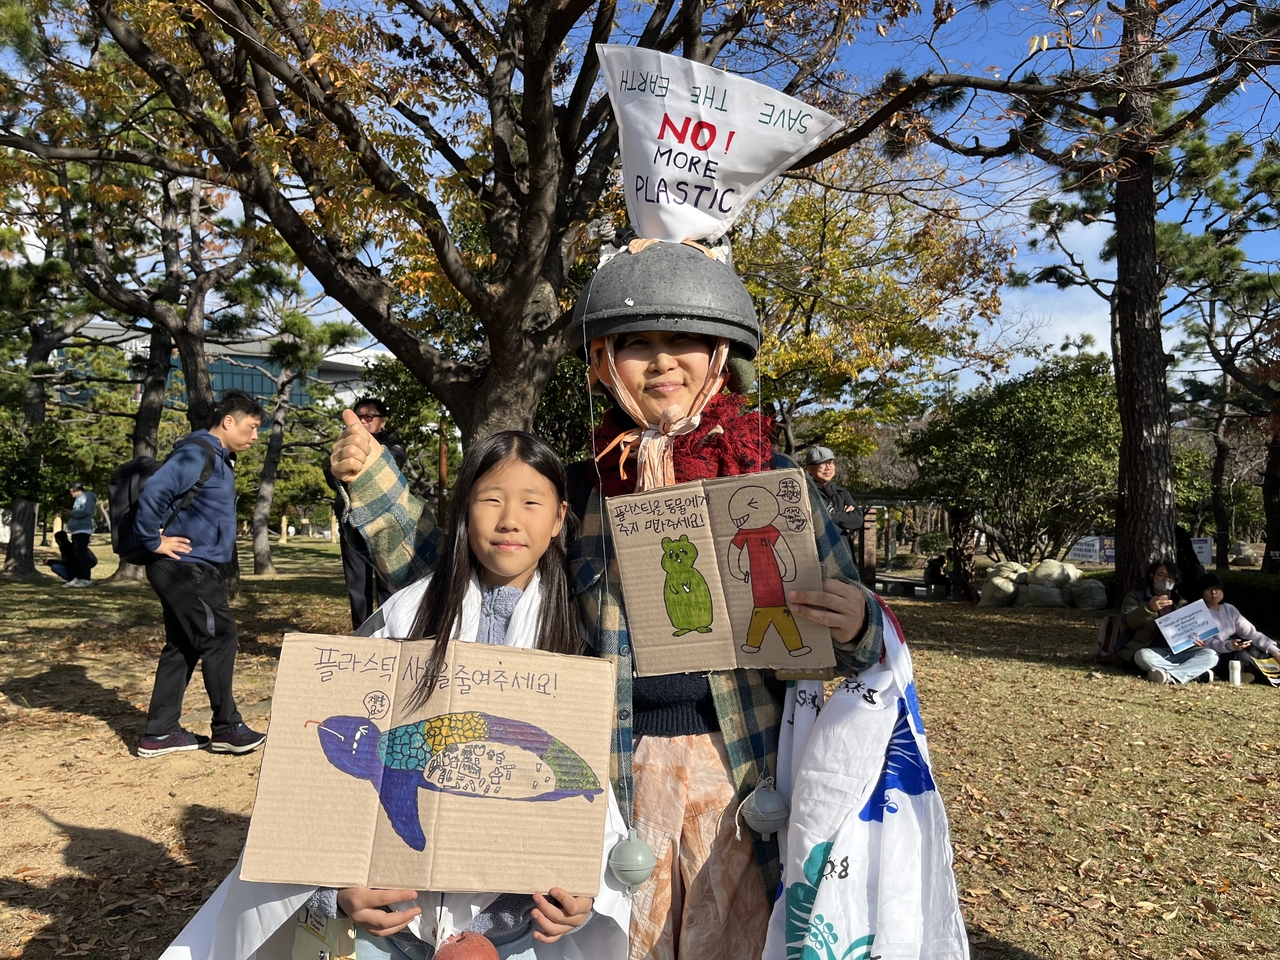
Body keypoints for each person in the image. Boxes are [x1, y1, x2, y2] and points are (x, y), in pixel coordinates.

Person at [331, 241, 963, 960]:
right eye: (637, 344)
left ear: (721, 355)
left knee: (741, 939)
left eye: (682, 339)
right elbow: (460, 569)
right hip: (609, 774)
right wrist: (377, 483)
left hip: (744, 772)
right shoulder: (580, 493)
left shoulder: (776, 481)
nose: (662, 361)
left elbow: (847, 648)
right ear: (604, 364)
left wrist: (853, 627)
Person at [157, 431, 630, 960]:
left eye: (531, 503)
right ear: (463, 509)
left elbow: (591, 783)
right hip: (394, 925)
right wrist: (332, 891)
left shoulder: (577, 640)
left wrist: (584, 893)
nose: (509, 520)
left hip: (518, 933)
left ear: (560, 517)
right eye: (491, 499)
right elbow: (317, 795)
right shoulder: (403, 620)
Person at [133, 391, 267, 758]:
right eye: (252, 427)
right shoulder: (197, 453)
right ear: (228, 422)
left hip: (191, 567)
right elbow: (154, 493)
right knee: (221, 635)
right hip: (185, 568)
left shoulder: (221, 460)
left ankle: (159, 733)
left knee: (184, 645)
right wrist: (152, 540)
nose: (255, 436)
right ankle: (227, 728)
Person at [326, 397, 408, 628]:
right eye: (359, 416)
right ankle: (361, 632)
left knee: (387, 585)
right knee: (357, 586)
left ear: (382, 422)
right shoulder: (344, 444)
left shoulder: (394, 446)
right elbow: (330, 471)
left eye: (369, 417)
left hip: (385, 526)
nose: (363, 421)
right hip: (352, 525)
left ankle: (389, 634)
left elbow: (387, 468)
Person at [1118, 558, 1218, 684]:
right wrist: (1149, 608)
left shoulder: (1181, 603)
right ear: (1152, 577)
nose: (1166, 580)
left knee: (1211, 655)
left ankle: (1169, 676)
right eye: (1161, 575)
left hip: (1178, 653)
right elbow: (1127, 622)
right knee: (1142, 656)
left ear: (1175, 581)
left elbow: (1189, 632)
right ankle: (1192, 673)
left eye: (1170, 577)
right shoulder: (1136, 597)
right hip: (1151, 651)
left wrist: (1194, 639)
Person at [1198, 572, 1279, 683]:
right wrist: (1229, 646)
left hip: (1237, 647)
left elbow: (1251, 633)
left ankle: (1252, 674)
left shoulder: (1229, 609)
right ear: (1201, 592)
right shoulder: (1199, 613)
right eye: (1209, 589)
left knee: (1265, 651)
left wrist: (1275, 651)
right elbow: (1208, 643)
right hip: (1219, 655)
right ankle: (1260, 676)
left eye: (1217, 589)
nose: (1214, 593)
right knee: (1240, 657)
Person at [802, 446, 862, 543]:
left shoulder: (842, 494)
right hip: (817, 553)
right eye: (823, 464)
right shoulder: (804, 494)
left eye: (831, 463)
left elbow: (857, 519)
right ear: (809, 468)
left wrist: (827, 516)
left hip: (844, 551)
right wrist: (843, 516)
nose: (828, 467)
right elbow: (811, 522)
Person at [64, 481, 97, 587]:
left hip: (83, 529)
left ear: (75, 489)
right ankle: (78, 577)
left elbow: (86, 511)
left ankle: (86, 578)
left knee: (82, 555)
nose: (70, 493)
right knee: (77, 555)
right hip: (77, 530)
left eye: (71, 490)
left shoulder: (86, 496)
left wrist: (72, 513)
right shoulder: (80, 498)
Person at [1174, 507, 1206, 603]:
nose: (1177, 514)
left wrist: (1199, 570)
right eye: (1175, 511)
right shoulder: (1165, 531)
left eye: (1179, 511)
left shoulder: (1182, 532)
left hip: (1189, 573)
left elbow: (1190, 553)